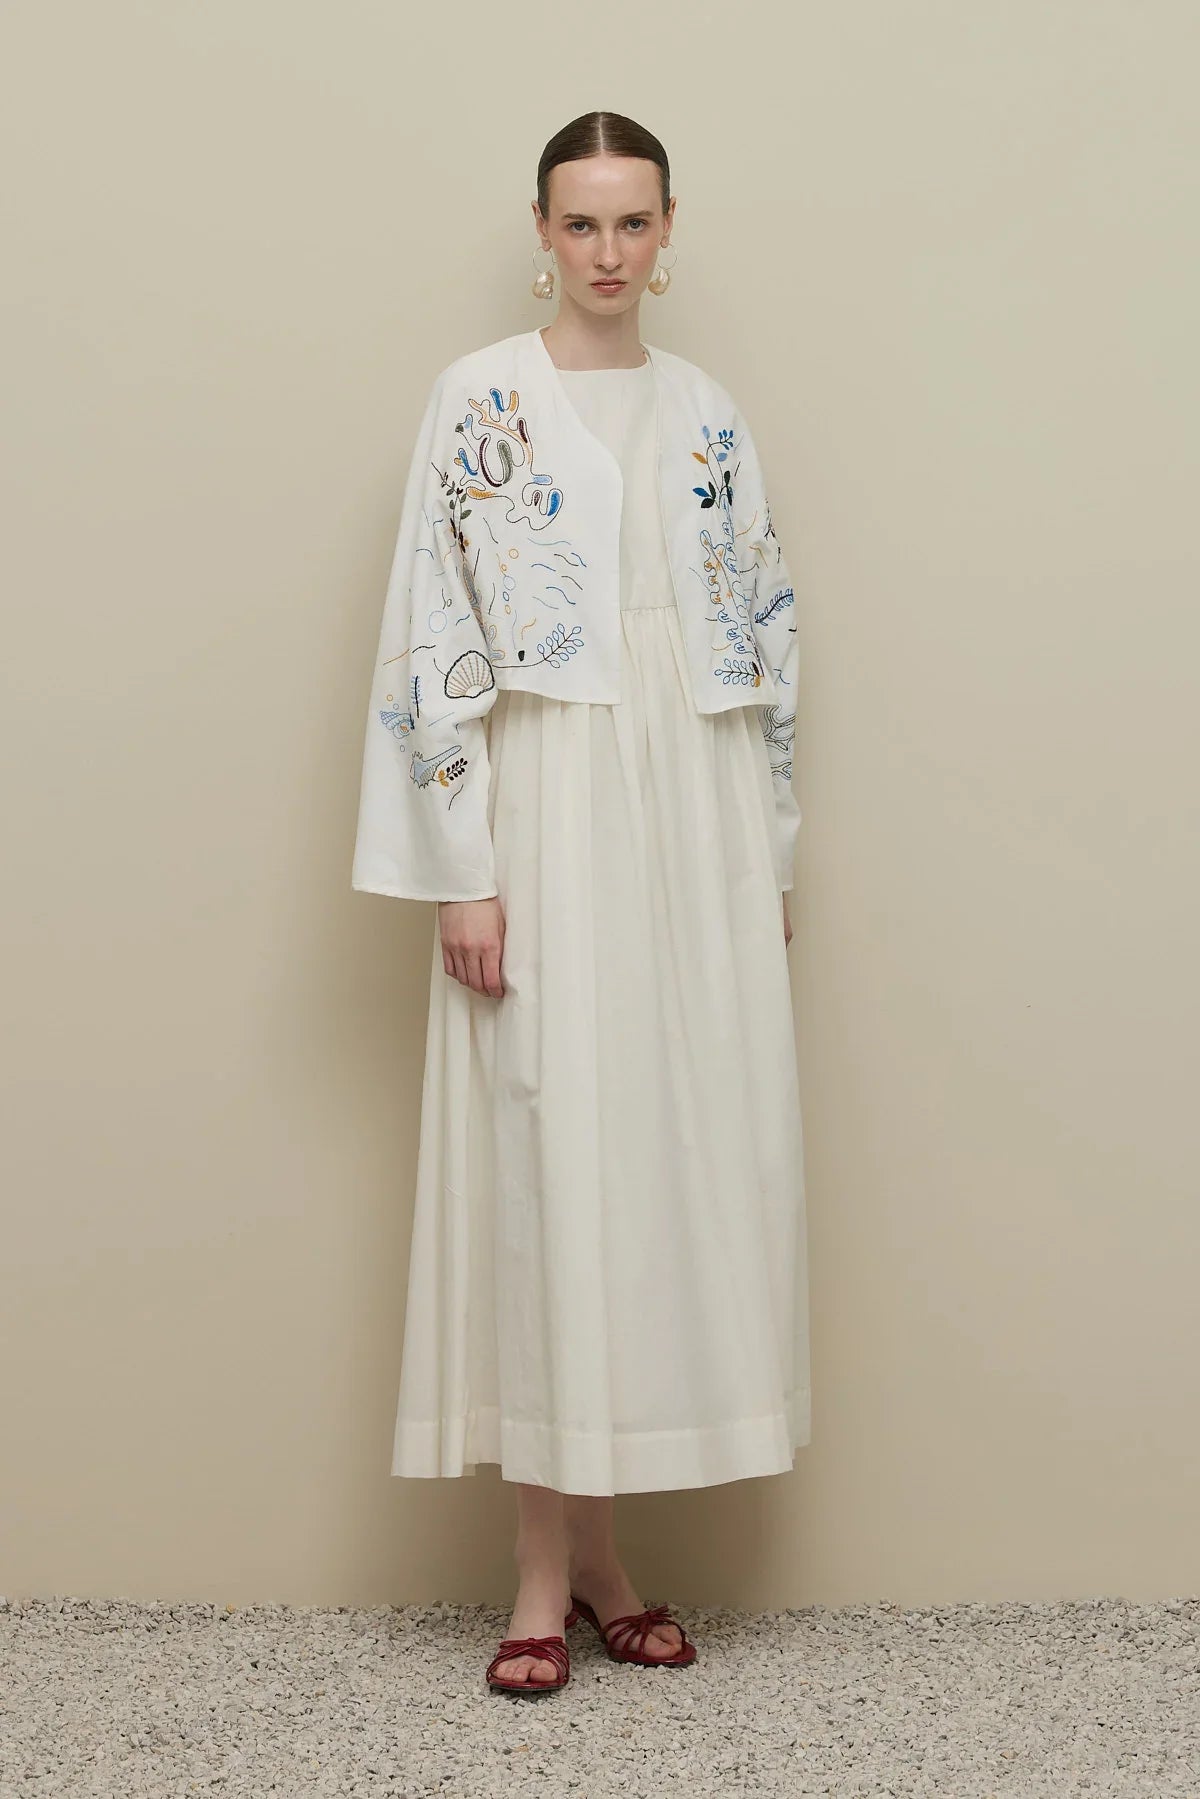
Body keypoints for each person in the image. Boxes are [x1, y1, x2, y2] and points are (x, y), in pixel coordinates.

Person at [351, 110, 810, 1696]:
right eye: (579, 222)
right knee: (549, 1160)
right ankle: (544, 1574)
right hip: (542, 799)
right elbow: (433, 633)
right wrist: (462, 870)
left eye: (632, 222)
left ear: (669, 230)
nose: (606, 251)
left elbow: (768, 639)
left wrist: (768, 856)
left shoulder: (708, 412)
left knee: (647, 1168)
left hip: (693, 803)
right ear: (539, 231)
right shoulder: (478, 399)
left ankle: (606, 1561)